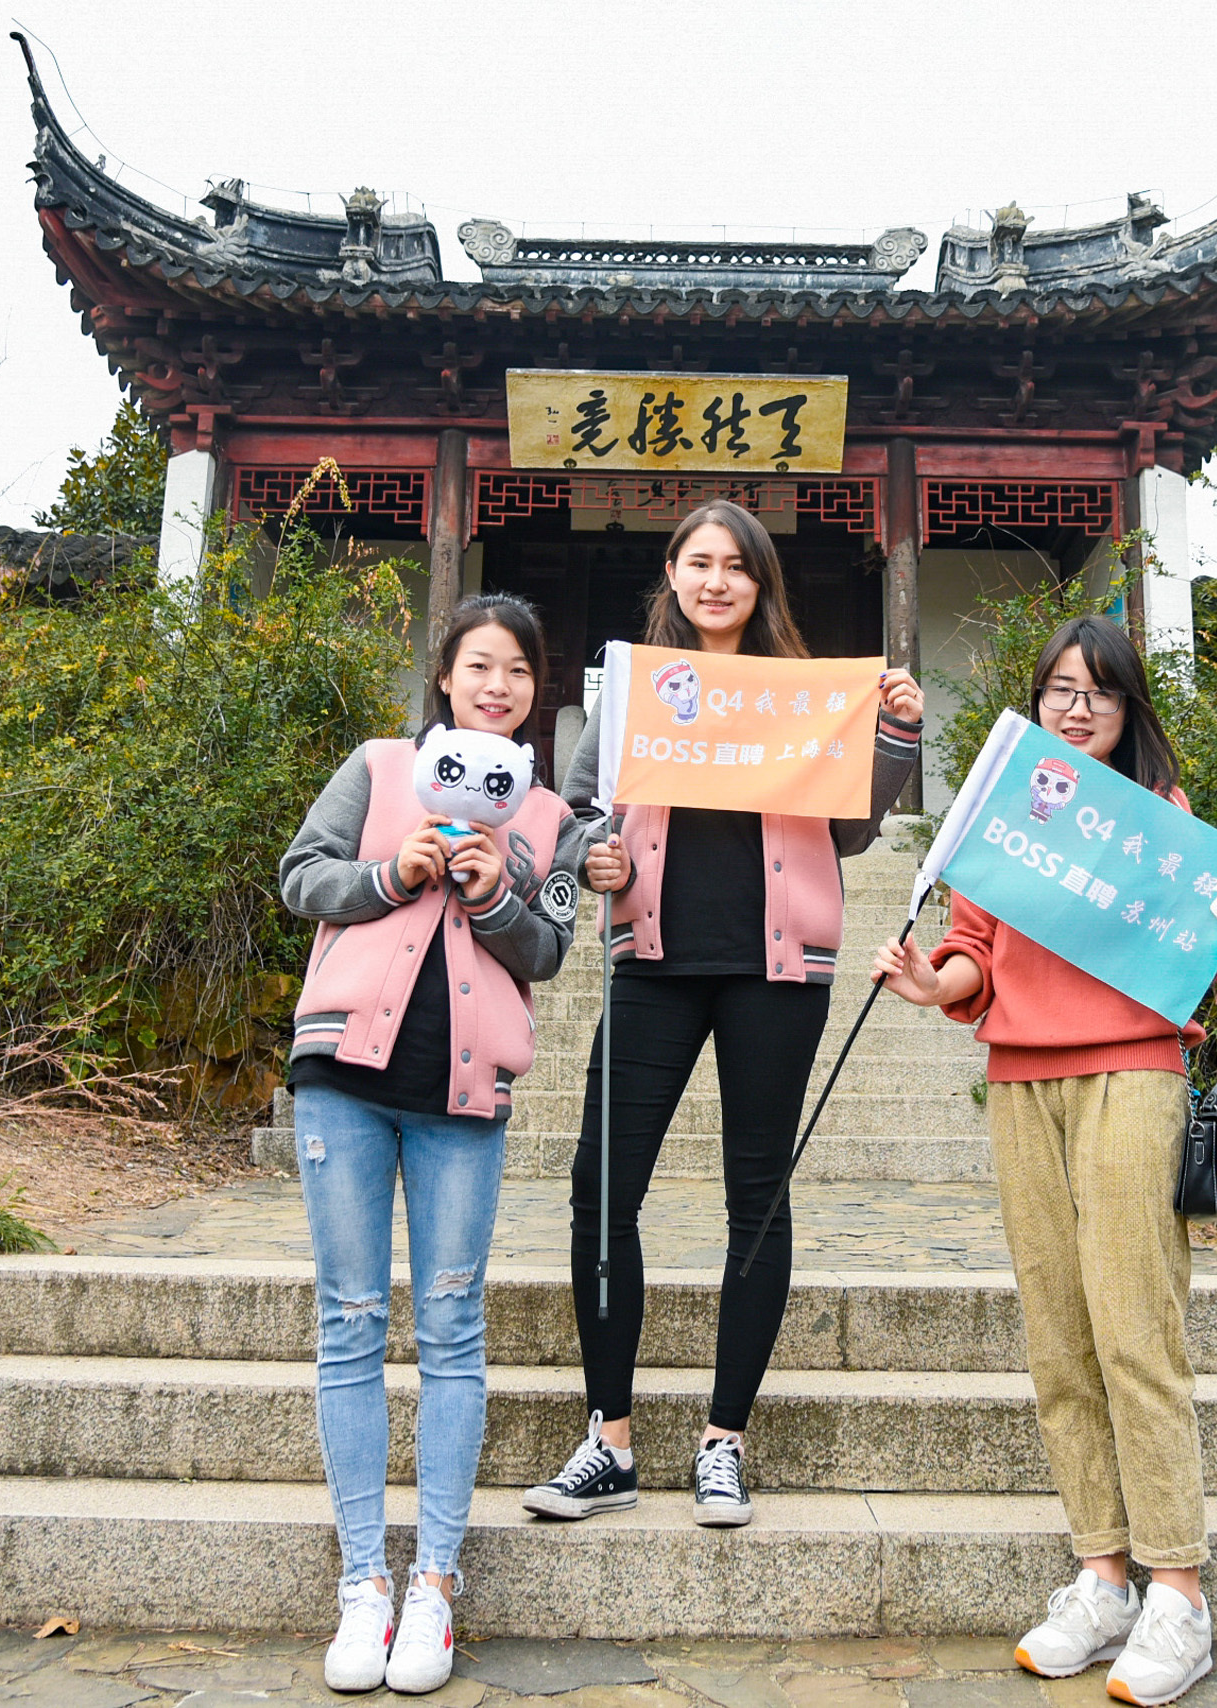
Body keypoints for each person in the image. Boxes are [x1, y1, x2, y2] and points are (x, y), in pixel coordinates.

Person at [872, 613, 1217, 1708]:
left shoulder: (1162, 818)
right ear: (1037, 700)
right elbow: (974, 953)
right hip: (1021, 1078)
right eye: (1059, 687)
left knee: (1133, 1326)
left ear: (1126, 707)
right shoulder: (1005, 809)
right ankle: (1101, 1576)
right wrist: (932, 982)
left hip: (1132, 1071)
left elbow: (1210, 941)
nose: (1076, 707)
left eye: (1098, 691)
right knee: (1058, 1335)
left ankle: (1179, 1594)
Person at [518, 499, 925, 1529]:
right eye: (699, 562)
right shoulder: (636, 689)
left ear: (760, 584)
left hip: (775, 969)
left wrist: (893, 735)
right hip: (653, 959)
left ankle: (723, 1441)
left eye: (736, 566)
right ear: (671, 572)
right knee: (602, 1190)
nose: (716, 581)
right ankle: (609, 1440)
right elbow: (578, 811)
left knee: (758, 1197)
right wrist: (591, 854)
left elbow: (854, 830)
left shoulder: (803, 693)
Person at [278, 593, 591, 1695]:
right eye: (479, 667)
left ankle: (436, 1583)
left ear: (536, 691)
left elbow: (549, 948)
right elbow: (300, 876)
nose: (497, 686)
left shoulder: (547, 816)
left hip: (464, 1097)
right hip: (342, 1083)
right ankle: (363, 1580)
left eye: (518, 671)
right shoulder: (378, 768)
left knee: (453, 1327)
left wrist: (497, 895)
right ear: (445, 677)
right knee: (351, 1321)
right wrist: (389, 876)